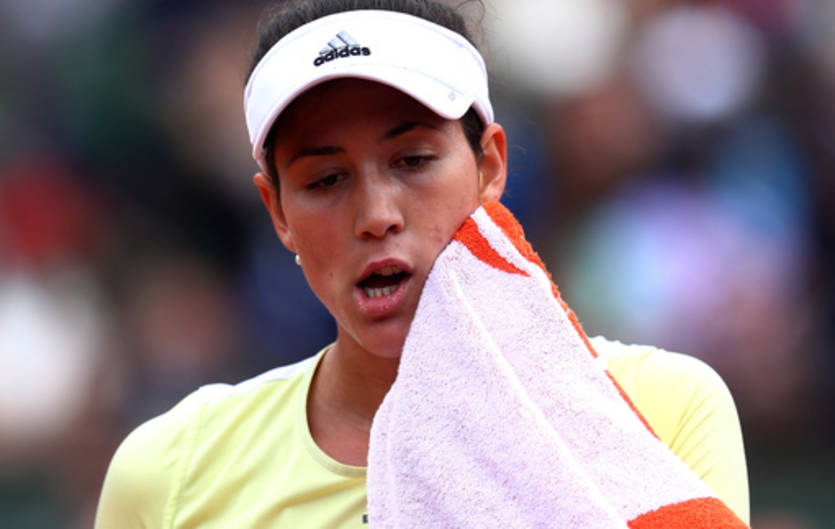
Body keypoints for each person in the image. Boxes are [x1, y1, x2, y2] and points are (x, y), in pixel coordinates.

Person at [94, 1, 749, 527]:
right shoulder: (169, 474)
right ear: (278, 211)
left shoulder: (666, 407)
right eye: (325, 179)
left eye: (412, 161)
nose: (376, 214)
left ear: (489, 166)